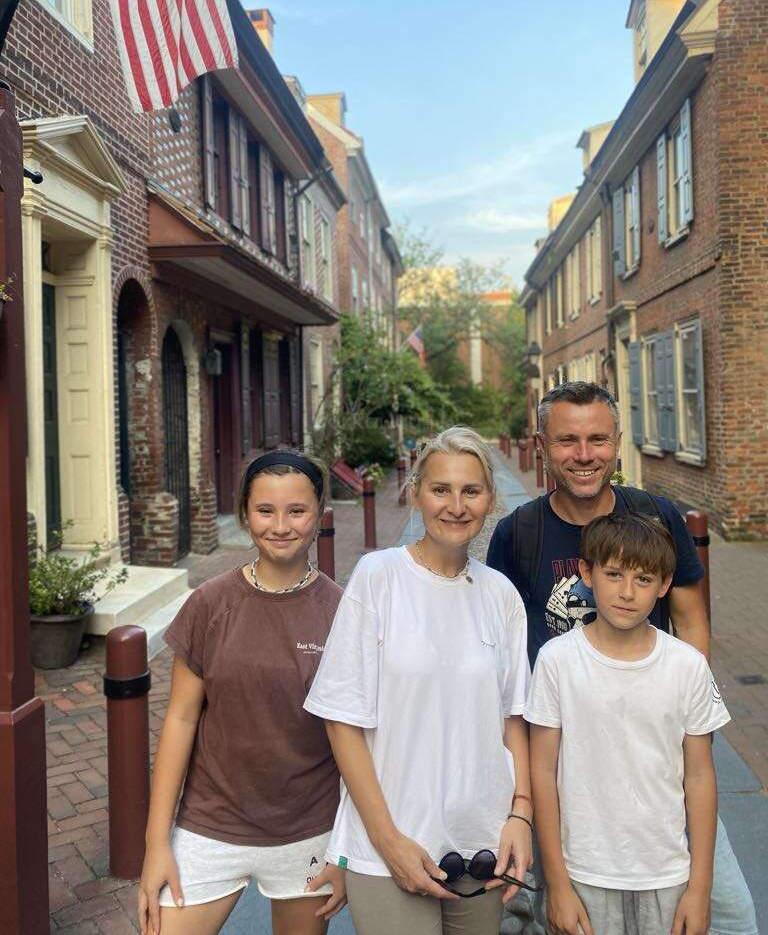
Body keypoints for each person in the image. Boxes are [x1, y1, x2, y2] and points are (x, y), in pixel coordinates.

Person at [487, 381, 757, 935]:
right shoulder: (520, 534)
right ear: (541, 446)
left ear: (616, 441)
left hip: (655, 757)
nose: (584, 455)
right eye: (567, 440)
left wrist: (685, 711)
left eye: (597, 439)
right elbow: (503, 654)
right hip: (564, 761)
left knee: (726, 913)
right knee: (549, 911)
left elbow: (691, 617)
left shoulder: (654, 516)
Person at [304, 426, 534, 935]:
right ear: (415, 493)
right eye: (440, 489)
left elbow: (513, 720)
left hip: (482, 845)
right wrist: (388, 841)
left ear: (489, 498)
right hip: (392, 847)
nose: (456, 505)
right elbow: (341, 723)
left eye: (470, 490)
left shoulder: (501, 596)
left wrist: (520, 815)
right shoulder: (378, 578)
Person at [137, 450, 346, 935]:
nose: (281, 525)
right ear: (244, 514)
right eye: (265, 511)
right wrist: (156, 844)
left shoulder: (342, 612)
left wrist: (345, 852)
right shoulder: (209, 604)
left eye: (297, 511)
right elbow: (181, 720)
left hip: (307, 828)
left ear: (318, 514)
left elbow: (354, 739)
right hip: (210, 823)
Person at [527, 512, 729, 935]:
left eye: (643, 579)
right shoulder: (557, 662)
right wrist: (557, 883)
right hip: (584, 872)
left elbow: (700, 776)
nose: (626, 592)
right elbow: (542, 772)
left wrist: (700, 887)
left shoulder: (687, 666)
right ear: (587, 572)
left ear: (665, 584)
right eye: (614, 574)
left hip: (668, 874)